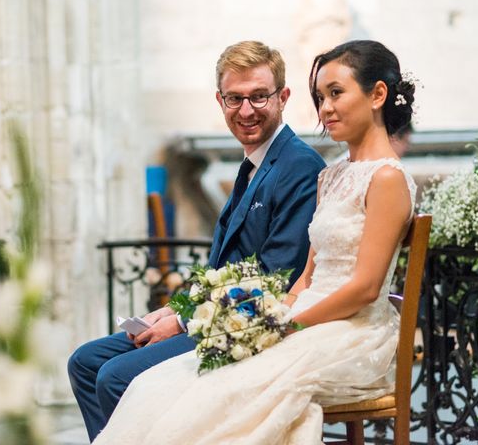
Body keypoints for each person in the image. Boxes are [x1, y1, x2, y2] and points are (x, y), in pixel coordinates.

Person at [91, 39, 417, 444]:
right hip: (301, 317)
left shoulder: (386, 178)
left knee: (209, 391)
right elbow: (307, 276)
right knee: (158, 384)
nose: (325, 108)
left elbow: (366, 288)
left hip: (349, 330)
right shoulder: (331, 175)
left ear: (378, 95)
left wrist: (283, 323)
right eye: (320, 97)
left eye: (336, 93)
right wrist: (267, 317)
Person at [68, 41, 326, 441]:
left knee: (116, 377)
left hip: (249, 329)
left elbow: (277, 278)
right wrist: (171, 309)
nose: (246, 110)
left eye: (259, 96)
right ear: (219, 101)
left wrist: (184, 321)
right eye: (235, 98)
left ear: (283, 97)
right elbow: (220, 270)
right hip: (214, 316)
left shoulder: (298, 166)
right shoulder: (254, 162)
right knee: (85, 363)